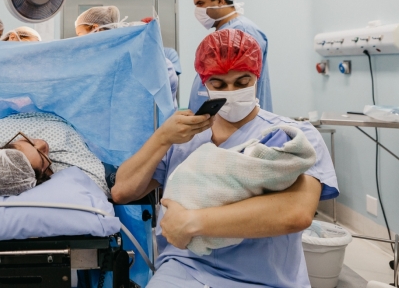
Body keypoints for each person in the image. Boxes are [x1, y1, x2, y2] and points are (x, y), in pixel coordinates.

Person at [111, 29, 337, 288]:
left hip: (262, 278)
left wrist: (192, 223)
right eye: (218, 85)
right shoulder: (184, 137)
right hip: (183, 269)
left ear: (256, 78)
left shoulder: (288, 136)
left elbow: (296, 213)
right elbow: (122, 191)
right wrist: (162, 138)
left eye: (242, 83)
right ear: (204, 84)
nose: (231, 91)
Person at [188, 0, 273, 113]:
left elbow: (241, 85)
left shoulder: (243, 31)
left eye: (200, 3)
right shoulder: (225, 32)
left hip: (235, 122)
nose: (197, 10)